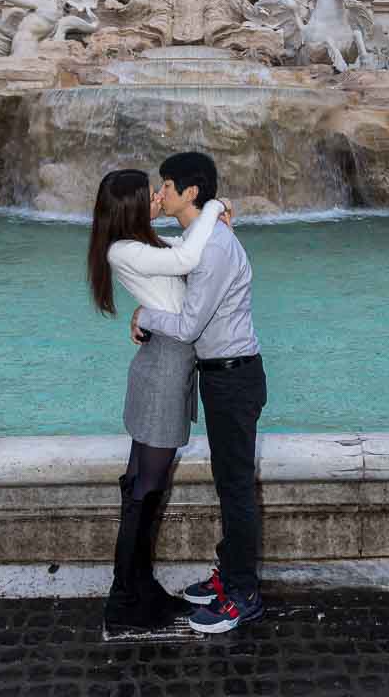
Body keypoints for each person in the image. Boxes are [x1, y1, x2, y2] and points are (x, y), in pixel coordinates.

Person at [87, 168, 228, 635]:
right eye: (149, 193)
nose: (157, 196)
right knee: (145, 491)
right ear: (129, 206)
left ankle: (137, 588)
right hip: (163, 372)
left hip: (163, 365)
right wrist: (211, 206)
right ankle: (124, 599)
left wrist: (142, 313)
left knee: (143, 487)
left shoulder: (139, 246)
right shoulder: (125, 249)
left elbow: (174, 278)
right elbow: (188, 259)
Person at [132, 151, 267, 635]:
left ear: (190, 192)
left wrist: (145, 317)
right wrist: (136, 222)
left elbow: (188, 326)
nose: (159, 193)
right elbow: (165, 255)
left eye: (165, 186)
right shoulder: (199, 236)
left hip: (233, 377)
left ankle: (243, 593)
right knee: (228, 481)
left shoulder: (211, 247)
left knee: (235, 487)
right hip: (223, 375)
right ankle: (229, 575)